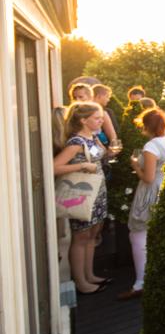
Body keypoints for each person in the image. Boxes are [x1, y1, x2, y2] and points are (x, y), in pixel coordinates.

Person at [118, 108, 165, 300]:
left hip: (151, 191)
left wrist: (135, 165)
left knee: (138, 233)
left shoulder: (151, 146)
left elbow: (148, 178)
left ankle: (141, 282)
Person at [52, 102, 109, 294]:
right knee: (81, 237)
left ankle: (89, 275)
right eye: (97, 118)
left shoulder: (93, 137)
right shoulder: (76, 142)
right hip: (82, 194)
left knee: (92, 235)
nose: (101, 120)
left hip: (97, 193)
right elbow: (54, 167)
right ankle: (81, 282)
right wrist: (81, 166)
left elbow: (100, 156)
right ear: (83, 120)